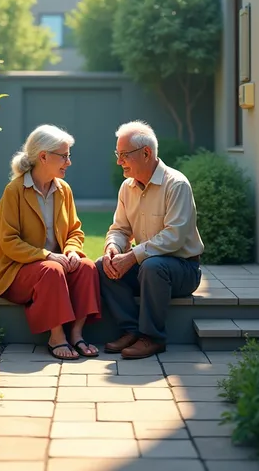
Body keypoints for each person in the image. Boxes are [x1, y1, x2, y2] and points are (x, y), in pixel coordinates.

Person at [0, 124, 100, 360]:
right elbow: (8, 241)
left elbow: (75, 231)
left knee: (87, 267)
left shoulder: (64, 190)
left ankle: (77, 334)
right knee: (51, 269)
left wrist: (70, 251)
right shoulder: (14, 191)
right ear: (43, 157)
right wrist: (48, 255)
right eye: (64, 156)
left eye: (68, 156)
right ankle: (56, 336)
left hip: (56, 266)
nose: (68, 162)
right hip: (17, 271)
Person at [96, 120, 204, 360]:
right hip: (148, 267)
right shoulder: (127, 188)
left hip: (182, 269)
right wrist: (113, 246)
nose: (118, 161)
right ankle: (130, 330)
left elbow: (174, 237)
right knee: (103, 265)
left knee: (153, 266)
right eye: (118, 154)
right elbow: (120, 228)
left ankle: (152, 338)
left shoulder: (176, 185)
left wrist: (133, 256)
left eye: (124, 155)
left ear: (146, 153)